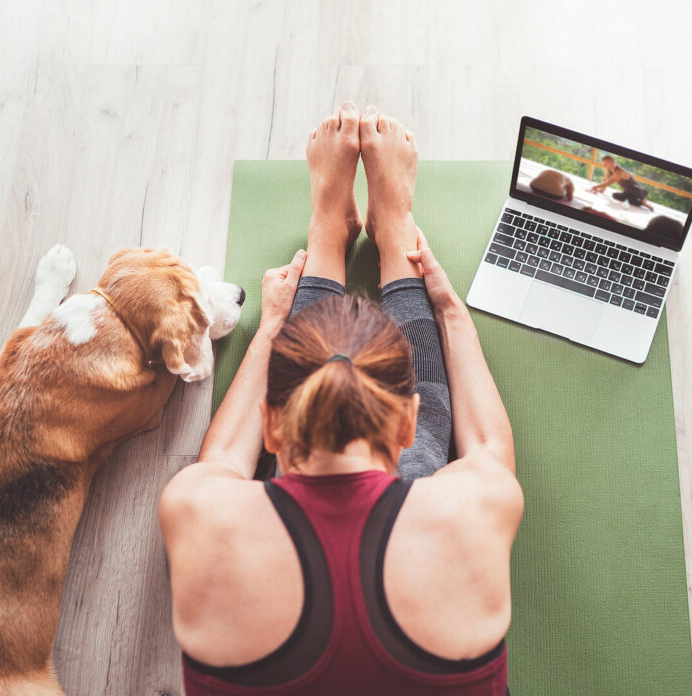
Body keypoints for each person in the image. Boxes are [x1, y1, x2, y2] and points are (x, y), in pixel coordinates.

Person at [159, 103, 523, 695]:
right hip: (398, 474)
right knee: (413, 471)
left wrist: (273, 324)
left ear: (271, 426)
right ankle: (392, 236)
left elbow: (224, 462)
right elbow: (487, 448)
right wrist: (450, 310)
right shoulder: (467, 510)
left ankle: (328, 233)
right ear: (410, 420)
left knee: (336, 429)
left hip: (306, 457)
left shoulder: (200, 512)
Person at [590, 155, 654, 211]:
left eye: (606, 164)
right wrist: (601, 190)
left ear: (612, 163)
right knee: (615, 196)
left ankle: (644, 203)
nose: (604, 166)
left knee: (634, 197)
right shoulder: (609, 170)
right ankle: (640, 203)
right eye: (603, 164)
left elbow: (608, 183)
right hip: (628, 191)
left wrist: (595, 187)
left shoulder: (619, 171)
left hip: (638, 191)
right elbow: (605, 180)